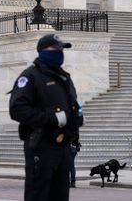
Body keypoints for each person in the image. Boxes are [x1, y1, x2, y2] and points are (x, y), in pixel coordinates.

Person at [9, 34, 83, 201]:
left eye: (61, 49)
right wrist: (52, 119)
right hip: (41, 146)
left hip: (63, 147)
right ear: (43, 51)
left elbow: (71, 104)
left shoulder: (64, 77)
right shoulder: (30, 76)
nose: (60, 52)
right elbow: (17, 109)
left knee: (60, 196)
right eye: (55, 49)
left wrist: (76, 115)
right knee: (39, 195)